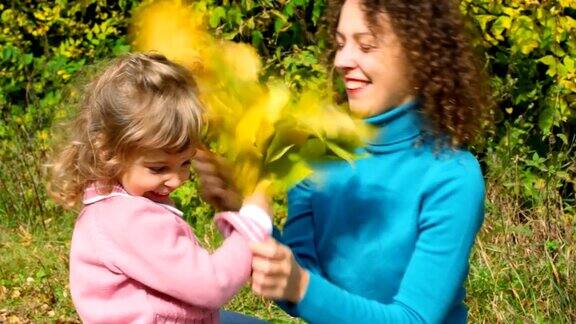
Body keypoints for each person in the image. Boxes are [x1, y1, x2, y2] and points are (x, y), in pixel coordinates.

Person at [193, 0, 491, 322]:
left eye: (366, 46)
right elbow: (300, 287)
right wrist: (239, 210)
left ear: (419, 58)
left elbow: (413, 318)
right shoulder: (318, 155)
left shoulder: (451, 177)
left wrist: (299, 286)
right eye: (339, 44)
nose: (342, 60)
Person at [47, 53, 270, 324]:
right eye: (158, 168)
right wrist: (252, 226)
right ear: (108, 151)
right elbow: (210, 285)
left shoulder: (113, 204)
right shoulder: (129, 219)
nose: (177, 180)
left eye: (185, 163)